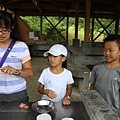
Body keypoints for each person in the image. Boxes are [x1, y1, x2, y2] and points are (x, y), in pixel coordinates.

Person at [0, 10, 33, 102]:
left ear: (12, 28)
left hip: (17, 94)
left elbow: (29, 72)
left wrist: (15, 71)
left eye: (5, 30)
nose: (1, 34)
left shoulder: (21, 46)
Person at [89, 34, 120, 116]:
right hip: (96, 110)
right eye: (104, 50)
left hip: (114, 113)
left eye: (111, 50)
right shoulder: (97, 68)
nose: (107, 53)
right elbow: (92, 86)